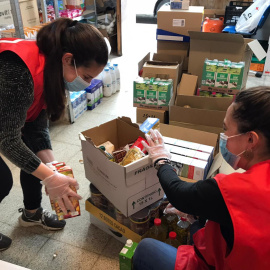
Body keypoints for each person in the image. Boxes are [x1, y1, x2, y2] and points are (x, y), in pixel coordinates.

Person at [0, 18, 108, 251]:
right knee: (1, 181)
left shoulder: (51, 70)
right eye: (87, 77)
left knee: (35, 162)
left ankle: (31, 215)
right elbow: (7, 139)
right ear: (68, 59)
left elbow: (35, 126)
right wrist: (50, 178)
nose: (87, 85)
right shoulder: (19, 71)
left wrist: (53, 167)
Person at [134, 87, 270, 270]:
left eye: (225, 129)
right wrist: (199, 217)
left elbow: (179, 194)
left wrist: (161, 160)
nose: (222, 137)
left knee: (145, 249)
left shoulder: (236, 190)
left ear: (251, 140)